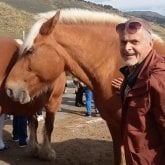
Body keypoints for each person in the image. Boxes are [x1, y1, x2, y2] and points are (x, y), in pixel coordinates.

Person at [113, 18, 165, 164]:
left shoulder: (159, 78)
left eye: (134, 42)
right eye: (123, 42)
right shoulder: (135, 72)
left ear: (150, 44)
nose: (127, 47)